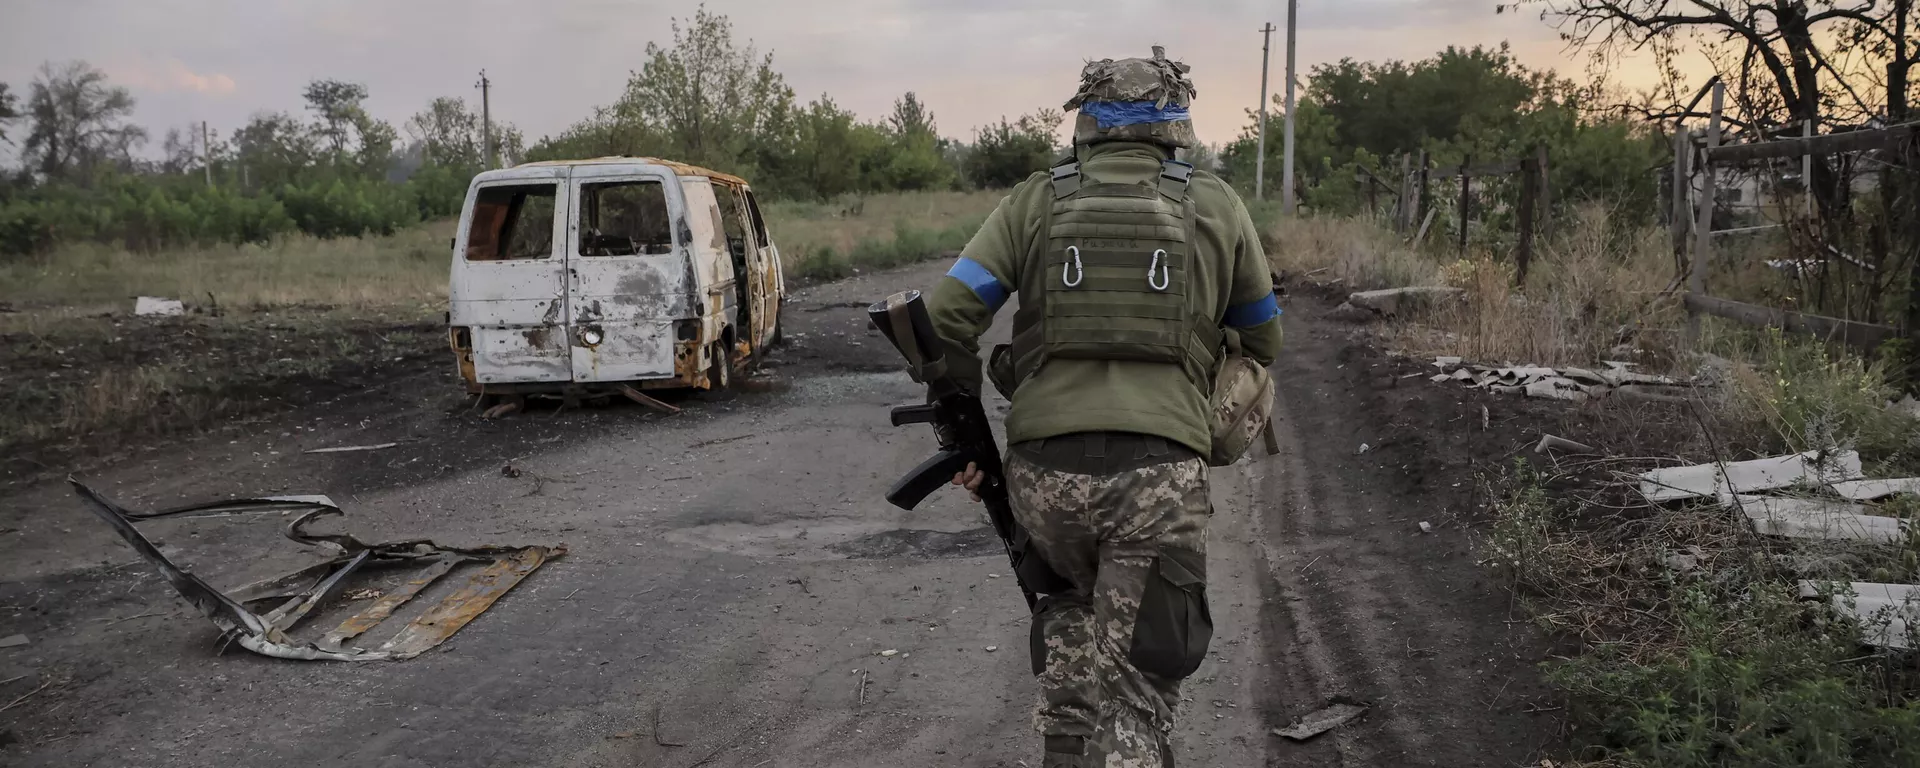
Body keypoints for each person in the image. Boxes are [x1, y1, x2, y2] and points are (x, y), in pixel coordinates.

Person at [924, 46, 1284, 768]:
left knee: (1069, 641)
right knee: (1136, 701)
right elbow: (1265, 335)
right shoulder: (1213, 203)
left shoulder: (1035, 199)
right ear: (1175, 122)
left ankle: (1067, 748)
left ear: (1086, 120)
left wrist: (962, 423)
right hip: (1157, 480)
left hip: (1043, 478)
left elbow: (945, 315)